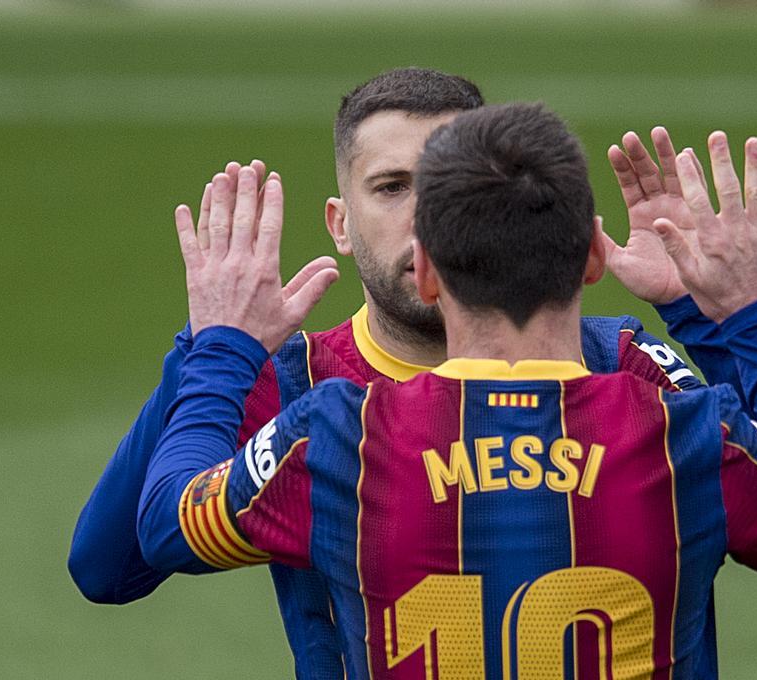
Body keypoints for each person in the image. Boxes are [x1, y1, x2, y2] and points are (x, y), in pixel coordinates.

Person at [138, 102, 757, 678]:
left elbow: (164, 522)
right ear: (594, 256)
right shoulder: (692, 438)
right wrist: (750, 317)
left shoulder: (336, 439)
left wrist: (222, 346)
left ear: (425, 271)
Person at [69, 69, 713, 677]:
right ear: (340, 225)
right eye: (392, 187)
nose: (425, 216)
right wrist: (211, 343)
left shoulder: (615, 359)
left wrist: (701, 309)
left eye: (449, 185)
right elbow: (109, 568)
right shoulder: (295, 384)